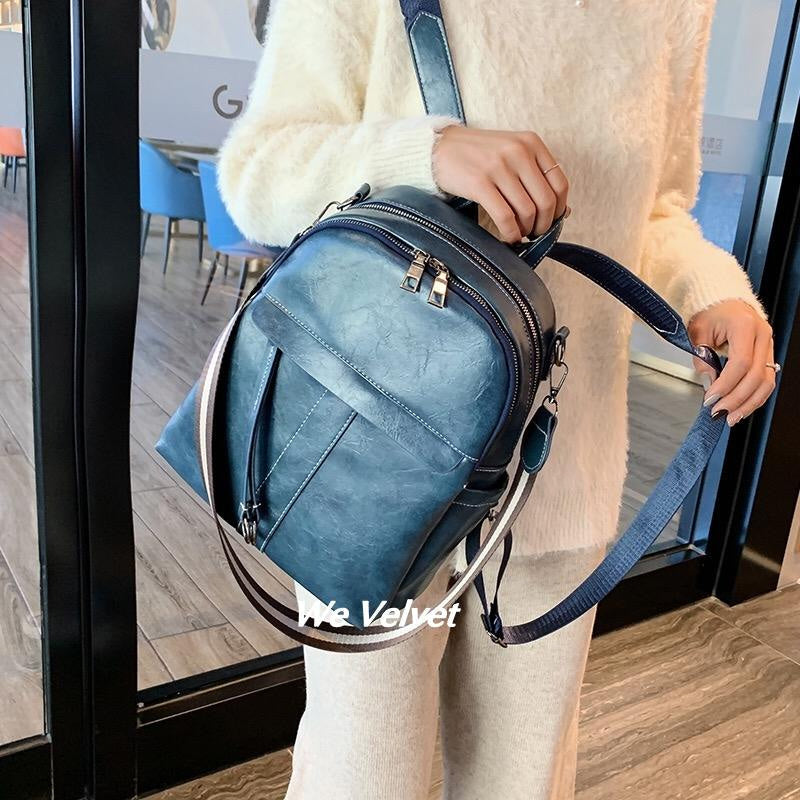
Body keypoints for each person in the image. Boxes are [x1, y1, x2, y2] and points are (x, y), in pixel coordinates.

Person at [217, 2, 777, 798]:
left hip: (560, 467)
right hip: (374, 462)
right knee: (363, 776)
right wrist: (428, 151)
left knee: (522, 779)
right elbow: (257, 173)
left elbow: (655, 210)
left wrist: (714, 291)